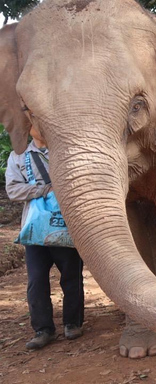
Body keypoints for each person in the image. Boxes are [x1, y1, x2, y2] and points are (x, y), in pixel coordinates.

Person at [5, 125, 85, 350]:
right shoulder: (18, 157)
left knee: (71, 276)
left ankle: (73, 323)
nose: (40, 124)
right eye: (33, 120)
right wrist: (44, 190)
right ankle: (43, 329)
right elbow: (13, 190)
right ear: (27, 127)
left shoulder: (66, 152)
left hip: (66, 226)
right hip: (34, 232)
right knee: (36, 280)